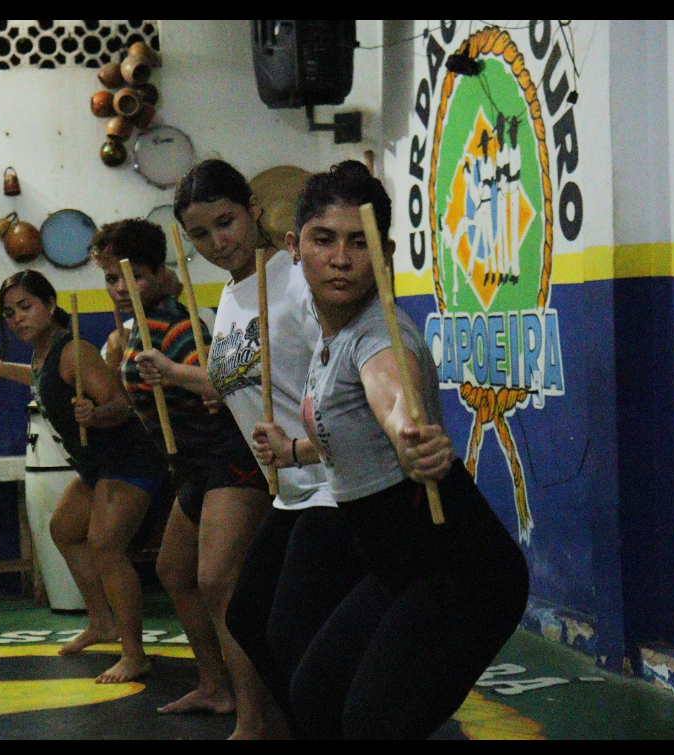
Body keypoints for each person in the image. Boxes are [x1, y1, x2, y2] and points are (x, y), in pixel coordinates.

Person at [252, 162, 529, 738]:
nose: (341, 258)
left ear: (385, 253)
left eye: (360, 243)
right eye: (324, 240)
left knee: (374, 723)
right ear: (294, 246)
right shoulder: (331, 332)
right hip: (398, 564)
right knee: (314, 695)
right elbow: (349, 435)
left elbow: (394, 400)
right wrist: (294, 451)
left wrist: (411, 438)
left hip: (461, 568)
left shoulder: (381, 335)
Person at [149, 159, 363, 735]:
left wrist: (307, 443)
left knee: (285, 622)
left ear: (253, 209)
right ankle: (269, 721)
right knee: (251, 614)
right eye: (199, 234)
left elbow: (344, 366)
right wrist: (178, 375)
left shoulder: (295, 276)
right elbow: (238, 378)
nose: (217, 242)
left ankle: (269, 725)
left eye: (226, 223)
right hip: (289, 489)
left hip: (334, 481)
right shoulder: (232, 295)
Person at [91, 219, 271, 738]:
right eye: (112, 279)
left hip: (227, 459)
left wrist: (173, 373)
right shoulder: (137, 329)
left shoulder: (177, 325)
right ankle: (215, 685)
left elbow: (217, 388)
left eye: (133, 277)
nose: (120, 288)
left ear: (158, 273)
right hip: (191, 466)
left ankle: (255, 718)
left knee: (218, 584)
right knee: (173, 571)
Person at [0, 271, 169, 684]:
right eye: (9, 313)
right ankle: (101, 623)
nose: (17, 318)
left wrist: (95, 415)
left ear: (50, 304)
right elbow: (41, 380)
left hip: (128, 459)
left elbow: (120, 405)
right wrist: (2, 369)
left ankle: (135, 655)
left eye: (25, 307)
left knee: (106, 547)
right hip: (98, 465)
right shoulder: (43, 353)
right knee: (64, 529)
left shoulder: (74, 350)